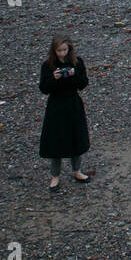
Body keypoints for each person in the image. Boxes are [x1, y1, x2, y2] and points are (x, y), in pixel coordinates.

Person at [39, 35, 90, 190]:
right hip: (56, 106)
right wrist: (54, 79)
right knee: (56, 142)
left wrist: (73, 75)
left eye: (65, 50)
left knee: (76, 138)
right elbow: (44, 88)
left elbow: (83, 83)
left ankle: (77, 171)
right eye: (60, 50)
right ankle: (55, 176)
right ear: (54, 51)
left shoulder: (77, 62)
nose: (63, 53)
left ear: (69, 49)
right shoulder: (48, 65)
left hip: (73, 104)